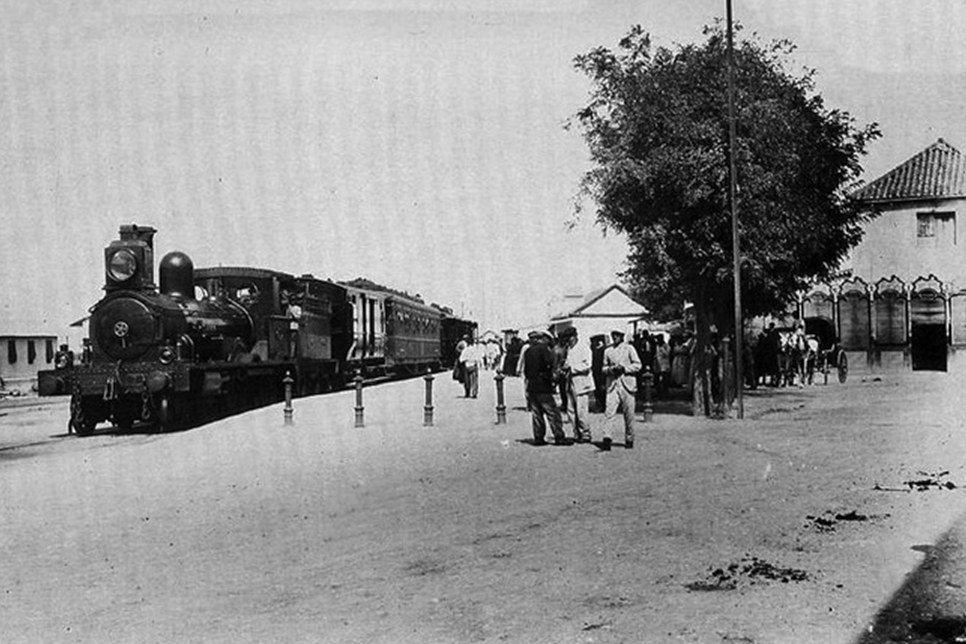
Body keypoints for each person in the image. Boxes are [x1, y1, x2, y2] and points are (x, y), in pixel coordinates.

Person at [522, 330, 566, 446]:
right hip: (543, 385)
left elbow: (526, 371)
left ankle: (538, 437)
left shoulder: (528, 351)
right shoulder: (543, 349)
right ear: (539, 339)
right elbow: (549, 364)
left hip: (532, 386)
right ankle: (559, 436)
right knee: (552, 412)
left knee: (536, 414)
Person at [602, 328, 641, 450]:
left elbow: (638, 365)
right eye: (613, 335)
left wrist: (624, 369)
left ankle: (629, 437)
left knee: (629, 413)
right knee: (609, 412)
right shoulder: (608, 351)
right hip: (613, 384)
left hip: (627, 384)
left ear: (622, 336)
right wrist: (610, 369)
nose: (615, 337)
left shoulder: (629, 349)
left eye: (617, 335)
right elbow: (603, 367)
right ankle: (607, 438)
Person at [560, 327, 593, 443]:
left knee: (581, 411)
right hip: (570, 382)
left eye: (569, 338)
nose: (568, 341)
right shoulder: (569, 349)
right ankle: (576, 433)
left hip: (581, 383)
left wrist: (572, 368)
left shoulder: (584, 347)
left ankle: (585, 433)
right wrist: (564, 368)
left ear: (574, 337)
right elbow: (568, 362)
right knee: (570, 410)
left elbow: (587, 365)